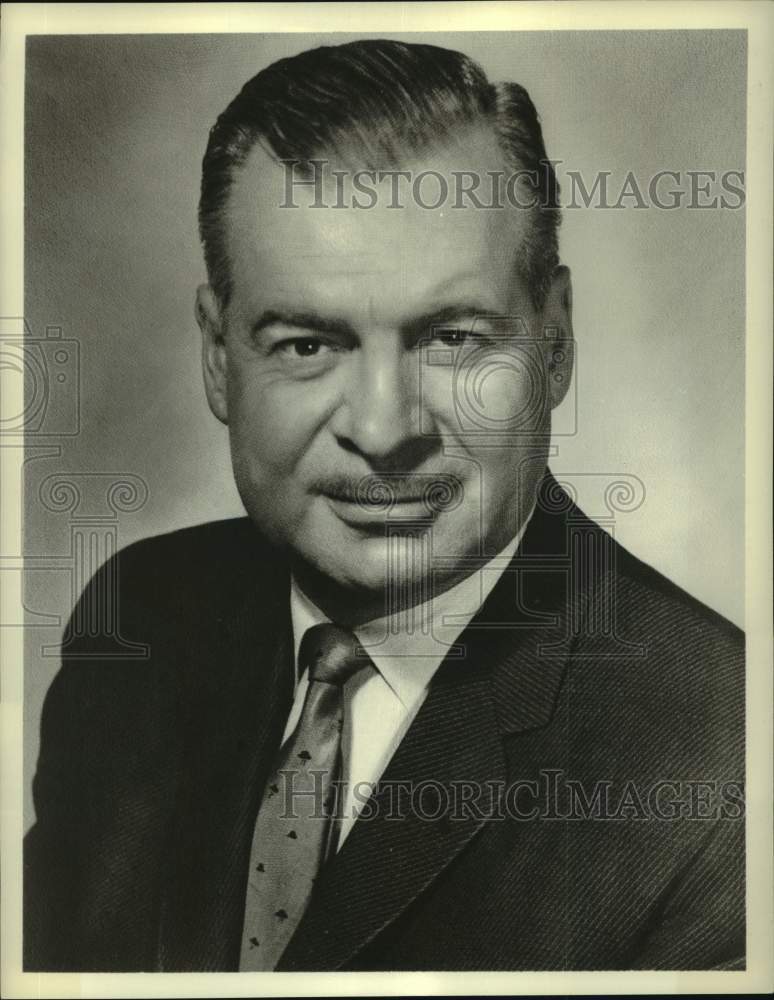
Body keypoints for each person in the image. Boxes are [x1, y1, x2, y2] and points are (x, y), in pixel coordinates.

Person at [24, 39, 744, 972]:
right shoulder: (138, 624)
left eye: (450, 337)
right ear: (216, 356)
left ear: (555, 345)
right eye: (305, 344)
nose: (383, 427)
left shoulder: (724, 769)